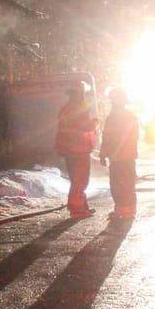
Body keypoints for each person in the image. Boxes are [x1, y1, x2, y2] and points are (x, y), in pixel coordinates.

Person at [54, 81, 99, 218]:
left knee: (76, 180)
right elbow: (84, 128)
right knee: (80, 180)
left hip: (70, 149)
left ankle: (80, 206)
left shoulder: (66, 108)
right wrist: (95, 123)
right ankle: (78, 209)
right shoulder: (78, 108)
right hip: (79, 149)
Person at [99, 87, 139, 220]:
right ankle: (125, 210)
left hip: (118, 158)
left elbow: (107, 138)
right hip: (125, 157)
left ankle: (124, 210)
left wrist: (103, 154)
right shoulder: (129, 116)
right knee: (125, 184)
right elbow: (134, 136)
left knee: (119, 185)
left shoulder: (114, 117)